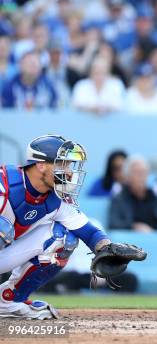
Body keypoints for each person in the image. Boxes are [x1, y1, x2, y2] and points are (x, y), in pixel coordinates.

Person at [0, 135, 138, 319]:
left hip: (5, 254)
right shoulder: (5, 184)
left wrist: (107, 248)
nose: (69, 172)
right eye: (62, 164)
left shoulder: (58, 198)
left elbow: (88, 232)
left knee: (64, 238)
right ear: (41, 165)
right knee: (3, 227)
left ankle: (8, 301)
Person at [108, 157, 157, 232]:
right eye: (137, 173)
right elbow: (114, 225)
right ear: (127, 177)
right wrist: (134, 227)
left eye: (144, 173)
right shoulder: (118, 201)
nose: (141, 177)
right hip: (130, 242)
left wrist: (153, 232)